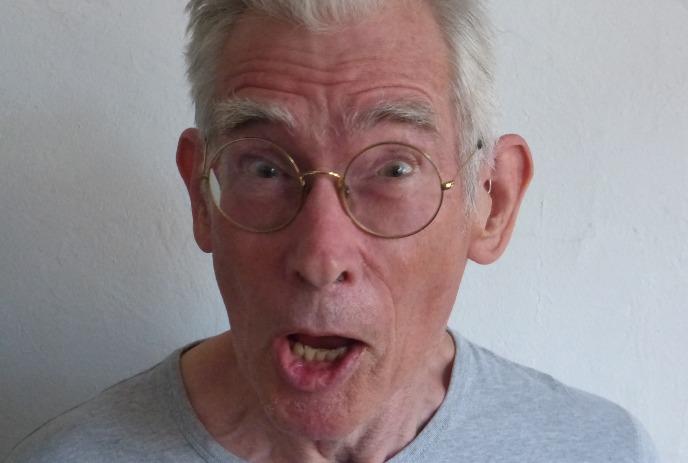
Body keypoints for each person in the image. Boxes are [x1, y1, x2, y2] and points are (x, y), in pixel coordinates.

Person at [6, 1, 658, 462]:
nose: (321, 256)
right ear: (202, 195)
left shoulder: (601, 450)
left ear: (492, 201)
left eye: (394, 167)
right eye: (265, 167)